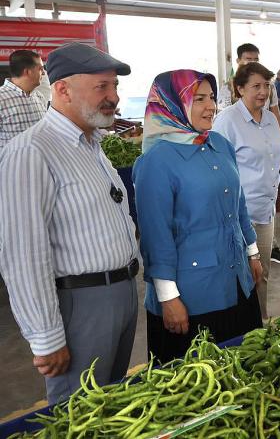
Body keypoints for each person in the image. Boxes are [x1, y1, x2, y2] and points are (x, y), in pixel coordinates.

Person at [0, 43, 138, 404]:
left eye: (115, 87)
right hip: (80, 305)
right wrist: (46, 337)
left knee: (110, 407)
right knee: (78, 413)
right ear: (62, 89)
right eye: (102, 87)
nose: (113, 97)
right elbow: (23, 254)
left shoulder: (92, 145)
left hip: (120, 294)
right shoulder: (32, 152)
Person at [134, 70, 263, 364]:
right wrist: (167, 297)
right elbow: (156, 235)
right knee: (200, 381)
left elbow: (239, 205)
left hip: (236, 280)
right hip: (193, 296)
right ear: (171, 104)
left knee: (245, 366)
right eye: (199, 98)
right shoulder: (157, 161)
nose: (211, 106)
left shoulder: (219, 145)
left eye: (212, 98)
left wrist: (252, 252)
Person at [213, 62, 280, 320]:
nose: (263, 92)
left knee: (261, 273)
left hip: (265, 212)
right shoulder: (227, 120)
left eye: (266, 85)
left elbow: (276, 154)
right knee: (237, 275)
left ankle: (260, 323)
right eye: (256, 86)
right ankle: (238, 330)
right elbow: (216, 168)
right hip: (237, 214)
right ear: (240, 89)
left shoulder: (269, 119)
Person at [0, 49, 48, 150]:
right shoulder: (1, 98)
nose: (43, 73)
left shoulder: (38, 97)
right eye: (40, 69)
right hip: (11, 165)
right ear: (27, 72)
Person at [218, 43, 277, 113]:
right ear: (238, 61)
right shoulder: (227, 88)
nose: (253, 63)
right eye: (249, 59)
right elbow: (223, 116)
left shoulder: (270, 86)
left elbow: (276, 115)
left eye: (256, 60)